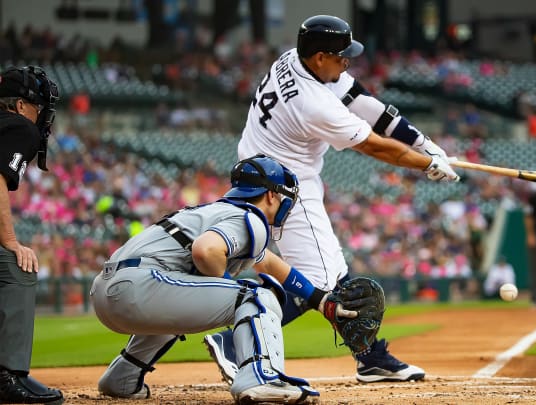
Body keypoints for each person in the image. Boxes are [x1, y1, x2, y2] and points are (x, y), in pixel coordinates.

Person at [205, 14, 459, 385]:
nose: (348, 62)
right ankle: (233, 344)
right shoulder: (313, 103)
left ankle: (370, 356)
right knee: (315, 279)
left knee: (334, 269)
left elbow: (364, 102)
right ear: (320, 57)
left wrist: (423, 143)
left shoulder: (295, 58)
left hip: (256, 172)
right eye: (342, 56)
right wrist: (427, 165)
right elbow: (373, 145)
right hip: (287, 186)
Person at [90, 155, 319, 404]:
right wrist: (227, 285)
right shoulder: (252, 218)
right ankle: (260, 379)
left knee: (185, 300)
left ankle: (123, 377)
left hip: (107, 292)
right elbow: (206, 250)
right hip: (139, 286)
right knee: (256, 296)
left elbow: (270, 263)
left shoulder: (219, 212)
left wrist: (320, 298)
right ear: (271, 195)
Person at [0, 66, 63, 404]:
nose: (41, 115)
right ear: (22, 105)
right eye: (39, 107)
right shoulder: (19, 127)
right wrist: (10, 241)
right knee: (16, 266)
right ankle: (8, 375)